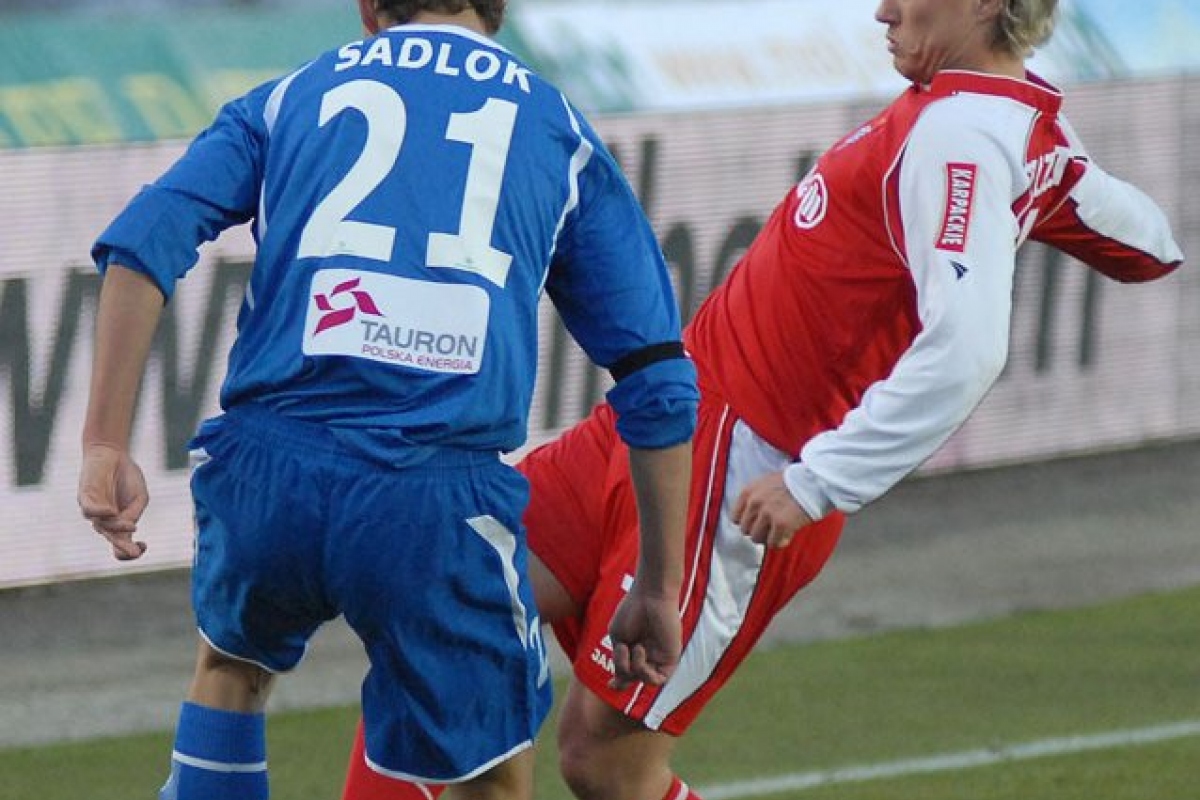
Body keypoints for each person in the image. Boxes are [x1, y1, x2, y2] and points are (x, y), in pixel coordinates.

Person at [339, 0, 1187, 799]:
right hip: (661, 428)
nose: (883, 9)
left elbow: (968, 349)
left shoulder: (963, 135)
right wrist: (1065, 184)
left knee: (604, 763)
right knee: (436, 611)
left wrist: (819, 483)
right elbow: (1149, 242)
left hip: (737, 470)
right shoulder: (1003, 122)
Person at [76, 2, 701, 799]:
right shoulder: (557, 131)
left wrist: (104, 442)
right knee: (490, 777)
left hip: (269, 469)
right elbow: (656, 381)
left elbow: (143, 239)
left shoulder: (290, 96)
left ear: (370, 8)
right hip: (433, 497)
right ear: (497, 10)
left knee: (230, 669)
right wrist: (657, 586)